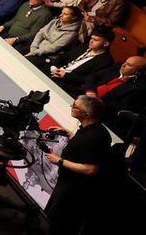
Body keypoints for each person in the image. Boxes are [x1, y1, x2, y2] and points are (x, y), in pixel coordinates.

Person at [43, 95, 111, 235]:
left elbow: (90, 169)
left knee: (57, 223)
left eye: (75, 106)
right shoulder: (93, 129)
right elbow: (85, 147)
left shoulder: (92, 138)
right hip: (68, 184)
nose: (72, 107)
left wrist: (59, 161)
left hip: (73, 191)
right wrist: (69, 134)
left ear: (87, 114)